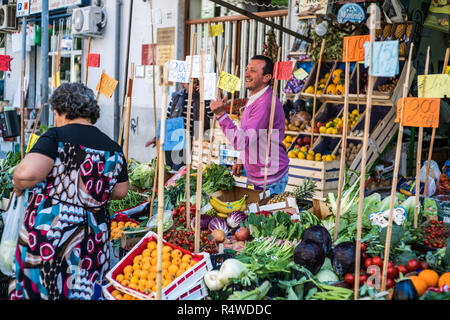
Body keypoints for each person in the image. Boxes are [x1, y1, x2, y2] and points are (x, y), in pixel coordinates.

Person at [10, 83, 129, 300]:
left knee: (46, 289)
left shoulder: (56, 136)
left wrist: (18, 185)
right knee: (81, 291)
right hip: (94, 237)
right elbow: (121, 191)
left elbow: (27, 174)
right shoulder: (113, 146)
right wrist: (91, 192)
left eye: (55, 113)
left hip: (54, 233)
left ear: (61, 110)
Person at [209, 55, 289, 195]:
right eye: (246, 69)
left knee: (263, 216)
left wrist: (221, 115)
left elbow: (241, 141)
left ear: (266, 77)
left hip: (269, 178)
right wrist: (242, 159)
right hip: (259, 175)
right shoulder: (256, 97)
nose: (246, 74)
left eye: (253, 71)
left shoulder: (264, 103)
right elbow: (250, 134)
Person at [145, 79, 213, 171]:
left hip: (193, 144)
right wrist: (157, 137)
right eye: (189, 82)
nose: (193, 85)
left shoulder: (203, 98)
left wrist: (207, 97)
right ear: (183, 84)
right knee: (172, 172)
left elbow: (212, 115)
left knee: (182, 172)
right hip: (174, 142)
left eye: (196, 83)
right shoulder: (176, 97)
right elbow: (168, 119)